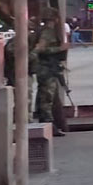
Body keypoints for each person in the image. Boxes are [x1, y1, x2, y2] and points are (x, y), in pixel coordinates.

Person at [32, 7, 69, 137]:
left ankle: (47, 125)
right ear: (55, 18)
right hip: (46, 69)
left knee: (46, 97)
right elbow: (40, 49)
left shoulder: (46, 31)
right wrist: (59, 48)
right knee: (47, 98)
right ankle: (48, 125)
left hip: (47, 68)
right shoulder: (48, 32)